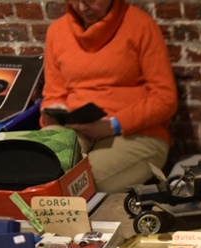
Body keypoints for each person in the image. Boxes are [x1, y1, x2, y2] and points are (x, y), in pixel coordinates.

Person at [40, 0, 178, 193]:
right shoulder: (57, 31)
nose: (82, 7)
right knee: (39, 171)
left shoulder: (140, 25)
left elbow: (165, 99)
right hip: (75, 127)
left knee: (80, 183)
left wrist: (114, 124)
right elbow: (53, 94)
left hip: (136, 132)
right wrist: (52, 112)